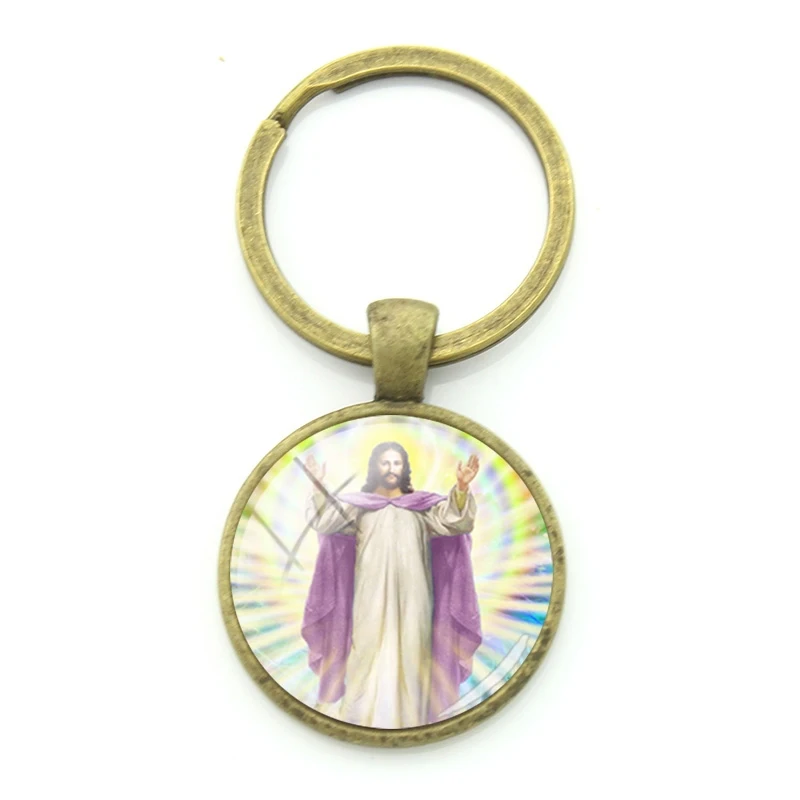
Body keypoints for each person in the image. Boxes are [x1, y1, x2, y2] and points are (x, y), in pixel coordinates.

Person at [301, 441, 482, 728]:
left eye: (396, 463)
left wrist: (461, 488)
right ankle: (361, 722)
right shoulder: (360, 507)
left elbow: (455, 522)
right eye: (385, 463)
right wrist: (318, 485)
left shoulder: (421, 509)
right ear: (375, 467)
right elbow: (325, 521)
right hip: (369, 595)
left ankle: (412, 722)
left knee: (413, 652)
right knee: (365, 650)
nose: (391, 468)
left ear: (404, 468)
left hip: (415, 596)